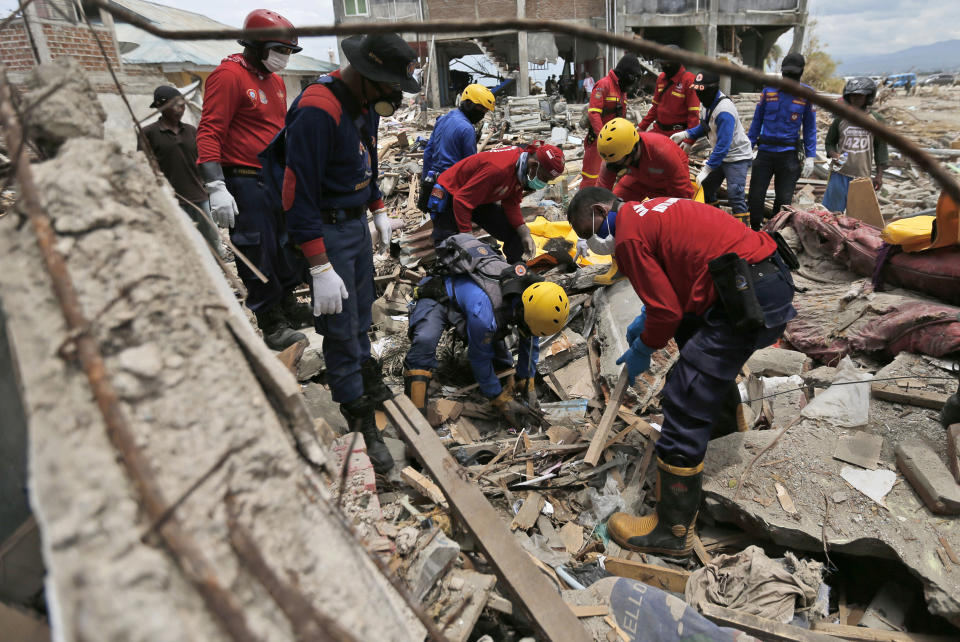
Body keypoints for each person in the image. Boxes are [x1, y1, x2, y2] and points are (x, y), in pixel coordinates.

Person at [567, 188, 796, 556]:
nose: (590, 242)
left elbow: (667, 313)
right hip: (761, 279)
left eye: (586, 231)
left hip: (746, 293)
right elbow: (678, 277)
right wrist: (647, 317)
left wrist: (644, 347)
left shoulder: (627, 236)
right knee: (696, 348)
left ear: (599, 210)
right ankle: (721, 436)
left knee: (686, 391)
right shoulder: (648, 210)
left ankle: (672, 530)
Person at [272, 33, 420, 473]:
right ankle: (359, 418)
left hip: (354, 224)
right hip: (327, 229)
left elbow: (367, 160)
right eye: (391, 85)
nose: (395, 95)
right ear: (369, 76)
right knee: (339, 327)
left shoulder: (364, 105)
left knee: (359, 317)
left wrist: (376, 208)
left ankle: (366, 379)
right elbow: (296, 192)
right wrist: (317, 264)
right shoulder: (319, 109)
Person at [196, 9, 307, 350]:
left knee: (284, 247)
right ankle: (271, 320)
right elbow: (210, 132)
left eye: (289, 52)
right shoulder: (228, 76)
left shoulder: (274, 82)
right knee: (257, 249)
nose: (284, 58)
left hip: (274, 178)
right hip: (244, 179)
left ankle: (287, 304)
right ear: (257, 45)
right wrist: (216, 185)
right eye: (280, 50)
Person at [403, 234, 569, 420]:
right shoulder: (485, 315)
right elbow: (478, 358)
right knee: (425, 340)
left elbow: (529, 338)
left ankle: (507, 381)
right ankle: (416, 416)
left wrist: (527, 379)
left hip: (474, 303)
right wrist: (499, 399)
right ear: (523, 311)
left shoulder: (531, 298)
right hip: (439, 293)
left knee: (501, 360)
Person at [429, 142, 565, 263]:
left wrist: (524, 232)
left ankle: (518, 272)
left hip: (478, 196)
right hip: (451, 194)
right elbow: (461, 200)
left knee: (514, 234)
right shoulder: (498, 168)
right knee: (451, 249)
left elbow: (511, 203)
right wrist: (468, 238)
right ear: (534, 165)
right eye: (544, 178)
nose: (544, 183)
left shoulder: (521, 168)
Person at [140, 85, 225, 257]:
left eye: (182, 104)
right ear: (161, 108)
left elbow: (202, 161)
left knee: (212, 240)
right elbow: (145, 165)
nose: (180, 109)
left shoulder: (191, 130)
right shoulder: (148, 133)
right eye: (175, 105)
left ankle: (220, 275)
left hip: (199, 196)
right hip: (172, 199)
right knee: (185, 244)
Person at [670, 72, 753, 225]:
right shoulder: (706, 104)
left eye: (703, 92)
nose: (700, 96)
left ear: (712, 90)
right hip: (720, 156)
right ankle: (714, 223)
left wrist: (707, 169)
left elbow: (723, 146)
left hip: (736, 157)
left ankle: (744, 231)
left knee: (735, 194)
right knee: (706, 189)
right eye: (698, 92)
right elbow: (705, 126)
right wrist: (686, 135)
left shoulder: (724, 111)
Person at [746, 52, 817, 230]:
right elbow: (757, 121)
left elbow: (810, 127)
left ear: (800, 73)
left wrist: (810, 156)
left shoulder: (807, 95)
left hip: (789, 155)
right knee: (755, 195)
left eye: (793, 75)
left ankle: (775, 232)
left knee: (784, 199)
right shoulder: (768, 91)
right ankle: (755, 228)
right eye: (787, 74)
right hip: (765, 152)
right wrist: (749, 146)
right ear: (782, 72)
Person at [420, 83, 495, 210]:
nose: (482, 114)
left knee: (438, 218)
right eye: (481, 109)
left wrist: (425, 183)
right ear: (469, 104)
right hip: (453, 186)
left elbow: (428, 152)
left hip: (435, 182)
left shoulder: (442, 119)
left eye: (485, 111)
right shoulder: (467, 129)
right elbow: (471, 166)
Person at [822, 77, 889, 213]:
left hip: (862, 177)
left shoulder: (876, 120)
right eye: (852, 96)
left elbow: (881, 149)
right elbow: (829, 143)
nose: (855, 99)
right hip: (839, 174)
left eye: (860, 96)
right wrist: (834, 155)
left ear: (868, 97)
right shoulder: (840, 118)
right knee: (832, 215)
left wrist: (879, 176)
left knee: (858, 218)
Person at [596, 117, 694, 202]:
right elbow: (601, 193)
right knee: (616, 202)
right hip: (639, 178)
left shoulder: (663, 152)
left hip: (668, 184)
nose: (616, 166)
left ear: (632, 150)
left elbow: (684, 194)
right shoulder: (613, 156)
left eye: (619, 164)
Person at [581, 54, 643, 187]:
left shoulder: (622, 89)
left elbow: (623, 115)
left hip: (616, 143)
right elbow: (593, 113)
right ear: (625, 76)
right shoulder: (603, 85)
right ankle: (584, 205)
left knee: (610, 177)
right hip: (598, 141)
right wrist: (603, 136)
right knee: (591, 177)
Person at [637, 45, 700, 136]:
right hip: (658, 130)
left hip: (677, 134)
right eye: (661, 64)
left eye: (666, 64)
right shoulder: (661, 78)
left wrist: (689, 140)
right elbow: (655, 108)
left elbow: (693, 115)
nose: (663, 67)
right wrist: (641, 127)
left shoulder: (689, 81)